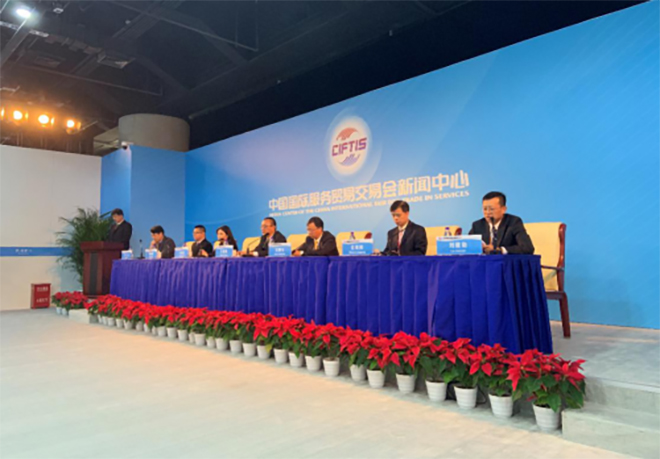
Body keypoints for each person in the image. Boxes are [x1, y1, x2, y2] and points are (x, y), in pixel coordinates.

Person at [469, 191, 534, 254]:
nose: (488, 212)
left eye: (491, 209)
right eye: (485, 209)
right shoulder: (477, 225)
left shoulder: (513, 222)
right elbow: (467, 246)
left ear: (503, 209)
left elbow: (527, 248)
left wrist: (500, 250)